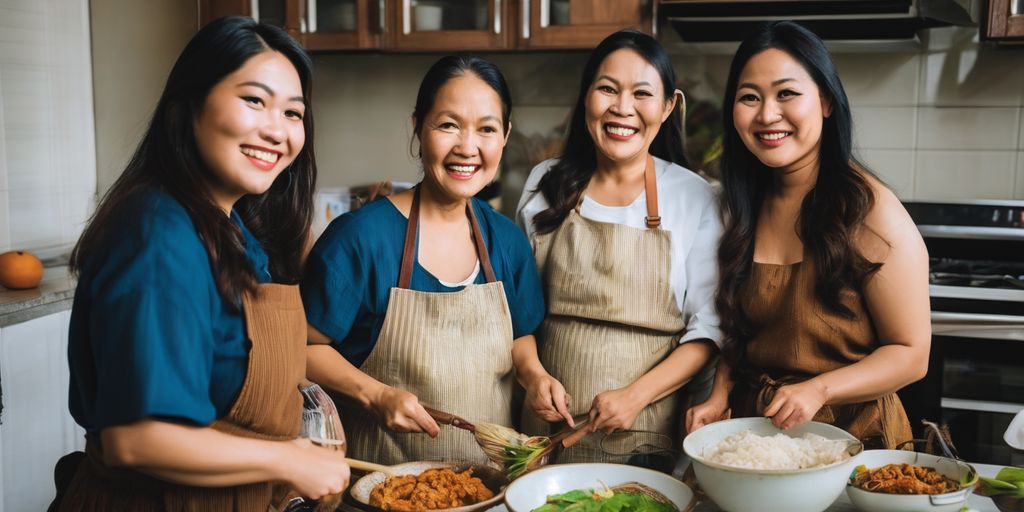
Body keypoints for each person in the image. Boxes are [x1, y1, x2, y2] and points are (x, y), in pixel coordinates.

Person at [53, 16, 349, 511]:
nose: (277, 130)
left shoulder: (232, 228)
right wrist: (289, 460)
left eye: (293, 113)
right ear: (190, 105)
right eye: (254, 100)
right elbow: (140, 439)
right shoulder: (158, 233)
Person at [685, 21, 930, 450]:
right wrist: (720, 392)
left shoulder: (870, 210)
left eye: (786, 93)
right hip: (758, 441)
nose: (766, 115)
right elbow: (743, 332)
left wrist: (820, 389)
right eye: (749, 98)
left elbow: (911, 354)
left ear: (826, 101)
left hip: (855, 443)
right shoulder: (742, 205)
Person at [301, 56, 544, 465]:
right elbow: (302, 348)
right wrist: (375, 394)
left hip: (488, 488)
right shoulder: (361, 238)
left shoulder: (507, 240)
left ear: (505, 136)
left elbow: (520, 336)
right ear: (418, 126)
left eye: (486, 128)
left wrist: (534, 375)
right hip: (380, 486)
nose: (467, 147)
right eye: (448, 125)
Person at [516, 30, 722, 465]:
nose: (622, 108)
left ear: (668, 106)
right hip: (542, 435)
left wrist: (635, 396)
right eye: (607, 88)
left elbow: (707, 331)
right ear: (586, 96)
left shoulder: (694, 197)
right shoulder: (545, 183)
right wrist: (533, 376)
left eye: (641, 93)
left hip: (643, 436)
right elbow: (517, 314)